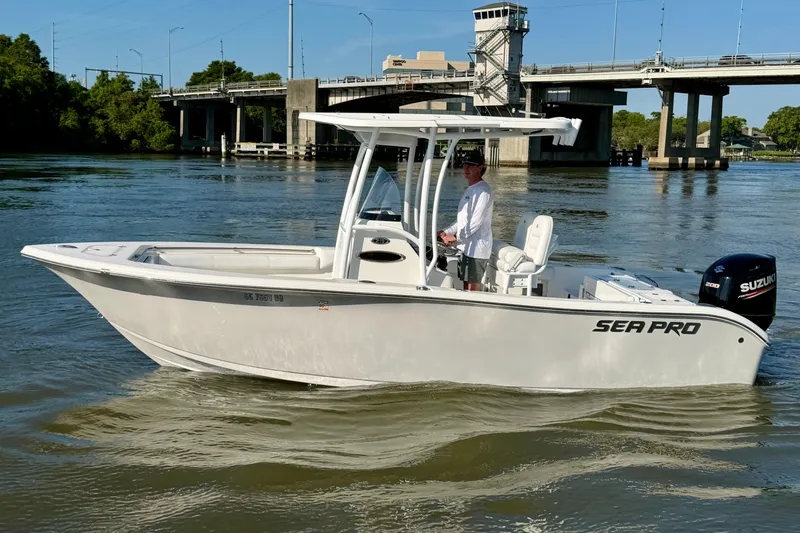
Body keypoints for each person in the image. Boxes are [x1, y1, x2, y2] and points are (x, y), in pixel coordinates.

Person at [438, 150, 494, 291]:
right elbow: (462, 220)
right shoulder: (470, 189)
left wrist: (455, 237)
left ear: (480, 167)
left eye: (470, 165)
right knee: (465, 289)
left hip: (477, 249)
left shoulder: (483, 191)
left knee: (471, 291)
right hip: (466, 247)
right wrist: (446, 232)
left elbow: (476, 222)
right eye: (464, 165)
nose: (466, 168)